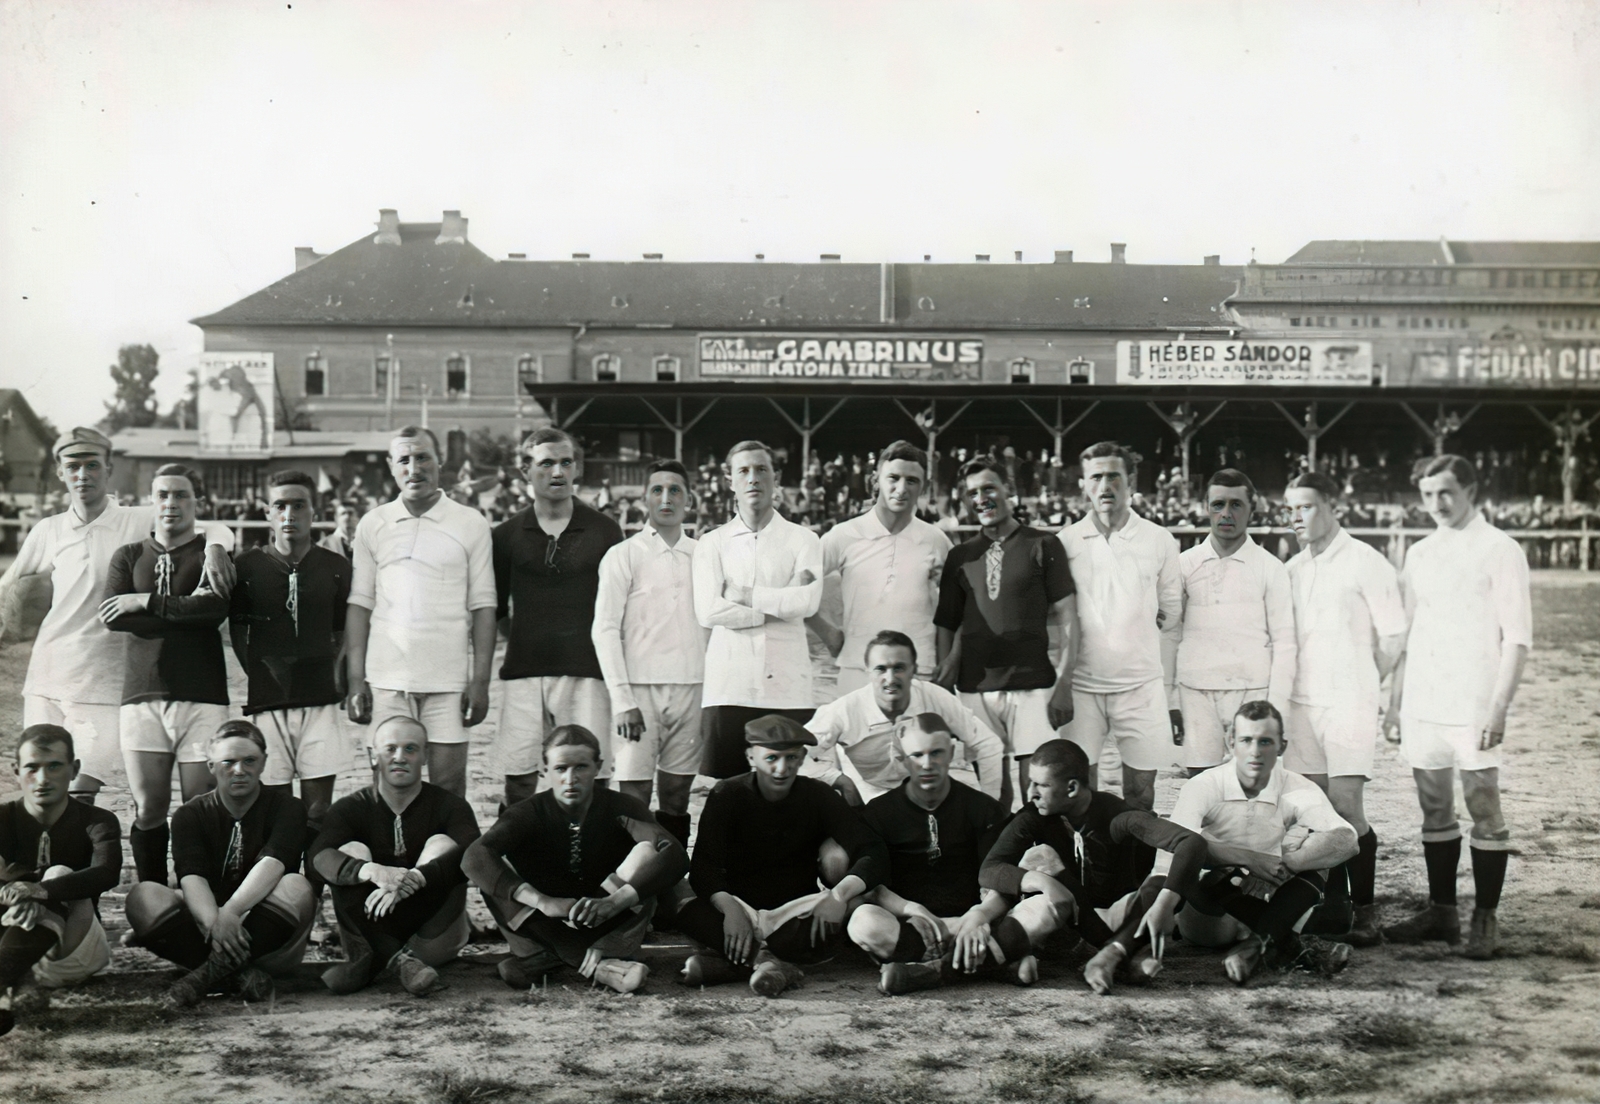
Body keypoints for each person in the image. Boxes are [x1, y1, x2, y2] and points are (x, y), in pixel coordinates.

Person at [0, 427, 232, 805]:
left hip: (105, 685)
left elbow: (210, 526)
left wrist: (218, 546)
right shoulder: (49, 530)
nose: (83, 475)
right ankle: (46, 867)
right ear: (60, 472)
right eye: (72, 466)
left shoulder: (137, 520)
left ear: (109, 469)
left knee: (79, 794)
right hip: (45, 679)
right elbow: (7, 591)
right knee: (42, 796)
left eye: (92, 465)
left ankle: (74, 864)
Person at [1382, 455, 1532, 959]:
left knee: (1483, 805)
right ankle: (1442, 913)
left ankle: (1484, 918)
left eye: (1445, 492)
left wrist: (1500, 706)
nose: (1436, 504)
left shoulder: (1500, 548)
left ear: (1470, 489)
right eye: (1427, 495)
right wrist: (1396, 703)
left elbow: (1518, 639)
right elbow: (1407, 634)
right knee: (1434, 806)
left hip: (1474, 700)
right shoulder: (1420, 552)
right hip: (1425, 698)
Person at [463, 725, 688, 994]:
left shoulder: (622, 807)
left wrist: (615, 902)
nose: (571, 778)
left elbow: (675, 854)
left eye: (581, 767)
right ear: (544, 769)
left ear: (599, 767)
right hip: (541, 925)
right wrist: (543, 902)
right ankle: (596, 965)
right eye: (561, 768)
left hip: (608, 924)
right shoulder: (527, 812)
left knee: (647, 852)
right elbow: (473, 858)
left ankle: (550, 961)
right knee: (491, 869)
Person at [675, 716, 886, 997]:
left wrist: (838, 896)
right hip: (739, 909)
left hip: (795, 912)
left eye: (791, 758)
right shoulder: (727, 793)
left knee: (848, 909)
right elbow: (704, 865)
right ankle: (770, 963)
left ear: (801, 759)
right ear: (751, 756)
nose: (781, 768)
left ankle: (743, 963)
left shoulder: (818, 795)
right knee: (686, 910)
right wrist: (729, 908)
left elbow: (872, 850)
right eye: (771, 758)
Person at [1283, 471, 1406, 944]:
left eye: (1306, 506)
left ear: (1333, 506)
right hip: (1300, 704)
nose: (1296, 516)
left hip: (1348, 703)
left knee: (1347, 807)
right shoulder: (1293, 569)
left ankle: (1366, 908)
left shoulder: (1365, 561)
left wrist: (1364, 681)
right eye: (1290, 508)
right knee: (1315, 810)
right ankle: (1334, 909)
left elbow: (1394, 636)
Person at [980, 739, 1207, 994]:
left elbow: (1192, 843)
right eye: (1031, 782)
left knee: (1158, 886)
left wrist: (1166, 903)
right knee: (1040, 864)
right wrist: (1042, 881)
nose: (1031, 791)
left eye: (1041, 785)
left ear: (1072, 787)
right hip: (1064, 923)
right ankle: (1124, 956)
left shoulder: (1118, 815)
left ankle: (1108, 956)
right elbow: (990, 869)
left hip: (1112, 921)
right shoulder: (1033, 815)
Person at [345, 426, 497, 798]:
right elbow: (359, 605)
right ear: (391, 467)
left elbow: (484, 607)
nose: (415, 468)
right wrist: (355, 679)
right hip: (386, 681)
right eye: (404, 460)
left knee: (448, 789)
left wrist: (480, 682)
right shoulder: (373, 523)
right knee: (385, 789)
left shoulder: (471, 522)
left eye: (423, 457)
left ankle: (442, 858)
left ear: (440, 460)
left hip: (448, 683)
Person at [1163, 701, 1360, 983]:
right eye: (1246, 740)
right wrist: (1248, 861)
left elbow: (1347, 840)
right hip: (1213, 915)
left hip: (1273, 895)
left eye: (1265, 741)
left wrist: (1288, 864)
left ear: (1282, 746)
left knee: (1318, 851)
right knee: (1216, 873)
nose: (1255, 752)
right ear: (1231, 743)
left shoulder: (1297, 787)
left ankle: (1257, 945)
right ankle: (1287, 944)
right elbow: (1175, 847)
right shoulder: (1205, 785)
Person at [101, 464, 233, 886]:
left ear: (198, 502)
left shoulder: (210, 552)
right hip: (143, 696)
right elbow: (113, 617)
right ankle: (153, 900)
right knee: (150, 807)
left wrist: (145, 602)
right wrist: (181, 610)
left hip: (203, 695)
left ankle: (203, 896)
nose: (171, 504)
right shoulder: (128, 555)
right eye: (163, 495)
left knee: (202, 804)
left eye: (181, 495)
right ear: (151, 501)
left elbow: (215, 609)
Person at [124, 720, 317, 1008]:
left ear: (263, 762)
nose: (239, 770)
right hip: (209, 929)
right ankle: (240, 975)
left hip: (270, 938)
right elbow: (192, 875)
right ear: (211, 765)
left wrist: (232, 912)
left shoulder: (288, 807)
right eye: (228, 762)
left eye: (249, 761)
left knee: (296, 885)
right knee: (143, 896)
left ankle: (203, 976)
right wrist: (218, 922)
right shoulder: (189, 815)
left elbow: (275, 863)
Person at [933, 457, 1077, 811]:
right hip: (976, 689)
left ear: (1009, 490)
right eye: (972, 493)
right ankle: (998, 864)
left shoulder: (1043, 545)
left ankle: (1038, 862)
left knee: (1039, 797)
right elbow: (946, 624)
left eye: (988, 489)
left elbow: (1071, 618)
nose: (980, 498)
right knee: (993, 797)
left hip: (1032, 685)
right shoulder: (960, 556)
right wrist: (944, 686)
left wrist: (1065, 682)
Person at [492, 427, 624, 807]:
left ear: (576, 469)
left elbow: (615, 608)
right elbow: (498, 610)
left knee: (591, 779)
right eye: (546, 463)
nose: (557, 472)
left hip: (586, 672)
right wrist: (533, 639)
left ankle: (589, 862)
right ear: (524, 472)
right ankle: (515, 862)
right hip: (523, 672)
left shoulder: (604, 530)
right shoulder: (505, 535)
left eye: (566, 462)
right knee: (518, 781)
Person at [309, 715, 480, 995]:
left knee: (441, 843)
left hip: (431, 936)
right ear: (372, 755)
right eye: (390, 749)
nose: (400, 757)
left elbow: (474, 857)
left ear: (426, 755)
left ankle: (375, 963)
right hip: (367, 929)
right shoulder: (349, 808)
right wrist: (374, 871)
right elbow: (317, 858)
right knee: (352, 851)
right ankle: (395, 959)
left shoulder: (451, 806)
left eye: (410, 749)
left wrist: (415, 878)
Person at [845, 716, 1015, 994]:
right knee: (863, 922)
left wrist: (979, 916)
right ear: (901, 758)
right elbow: (873, 886)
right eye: (916, 755)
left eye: (936, 752)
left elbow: (1000, 880)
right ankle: (991, 962)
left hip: (971, 921)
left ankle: (928, 970)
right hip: (910, 925)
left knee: (1037, 910)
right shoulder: (878, 813)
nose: (927, 764)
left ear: (951, 753)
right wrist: (913, 910)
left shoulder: (983, 809)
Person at [1057, 442, 1182, 813]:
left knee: (1141, 795)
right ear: (1084, 484)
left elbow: (1171, 612)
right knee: (1079, 795)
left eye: (1114, 476)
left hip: (1141, 687)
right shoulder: (1065, 541)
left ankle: (1137, 872)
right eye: (1096, 477)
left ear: (1131, 481)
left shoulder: (1159, 539)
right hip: (1083, 686)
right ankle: (1089, 871)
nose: (1105, 485)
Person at [229, 470, 351, 842]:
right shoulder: (246, 567)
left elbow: (344, 629)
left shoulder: (336, 567)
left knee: (318, 811)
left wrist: (338, 671)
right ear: (267, 513)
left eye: (299, 505)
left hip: (319, 699)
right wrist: (259, 672)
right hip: (268, 699)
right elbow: (237, 630)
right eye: (280, 505)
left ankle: (311, 891)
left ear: (314, 511)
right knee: (275, 809)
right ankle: (279, 893)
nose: (289, 514)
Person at [592, 459, 707, 847]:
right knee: (633, 798)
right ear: (644, 500)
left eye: (675, 490)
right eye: (657, 490)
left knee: (676, 795)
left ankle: (670, 883)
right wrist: (623, 700)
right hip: (639, 694)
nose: (666, 498)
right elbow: (604, 629)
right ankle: (629, 887)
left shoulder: (705, 555)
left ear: (689, 500)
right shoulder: (624, 554)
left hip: (693, 688)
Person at [693, 441, 824, 779]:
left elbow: (807, 603)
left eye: (761, 469)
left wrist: (744, 595)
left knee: (789, 794)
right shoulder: (712, 542)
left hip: (788, 686)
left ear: (776, 477)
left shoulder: (804, 540)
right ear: (729, 480)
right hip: (729, 686)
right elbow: (708, 611)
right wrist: (778, 604)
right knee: (727, 793)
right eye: (743, 471)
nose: (753, 478)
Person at [0, 725, 121, 1036]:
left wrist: (40, 890)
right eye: (32, 767)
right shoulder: (3, 818)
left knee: (59, 875)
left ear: (75, 769)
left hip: (72, 948)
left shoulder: (98, 820)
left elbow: (107, 873)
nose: (42, 779)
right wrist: (16, 893)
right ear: (16, 771)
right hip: (10, 944)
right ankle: (13, 984)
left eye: (54, 766)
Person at [1175, 469, 1297, 776]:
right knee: (1201, 782)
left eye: (1236, 505)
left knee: (1252, 783)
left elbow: (1285, 641)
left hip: (1252, 688)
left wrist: (1277, 704)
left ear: (1251, 509)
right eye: (1218, 505)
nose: (1226, 514)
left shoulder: (1271, 568)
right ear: (1206, 508)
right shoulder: (1183, 564)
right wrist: (1170, 698)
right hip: (1196, 688)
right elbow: (1169, 633)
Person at [807, 442, 951, 698]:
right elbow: (798, 583)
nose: (901, 489)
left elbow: (958, 606)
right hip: (857, 666)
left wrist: (948, 659)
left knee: (920, 739)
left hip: (919, 670)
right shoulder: (843, 535)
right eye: (893, 478)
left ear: (924, 487)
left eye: (912, 481)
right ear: (875, 480)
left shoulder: (936, 540)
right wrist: (829, 634)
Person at [803, 631, 1005, 805]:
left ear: (914, 670)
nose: (890, 679)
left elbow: (988, 744)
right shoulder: (845, 709)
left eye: (899, 668)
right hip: (871, 794)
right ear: (867, 672)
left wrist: (989, 804)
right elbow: (796, 751)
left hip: (931, 790)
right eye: (881, 669)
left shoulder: (935, 697)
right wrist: (838, 780)